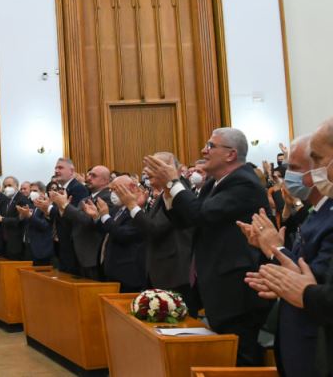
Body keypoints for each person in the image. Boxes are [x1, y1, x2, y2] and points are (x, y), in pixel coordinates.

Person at [146, 127, 270, 366]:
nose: (204, 150)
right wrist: (168, 191)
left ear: (231, 154)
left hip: (237, 288)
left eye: (211, 146)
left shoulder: (244, 183)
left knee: (241, 355)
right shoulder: (214, 183)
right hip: (218, 283)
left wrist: (174, 182)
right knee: (226, 352)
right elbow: (187, 220)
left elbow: (200, 213)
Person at [238, 134, 333, 377]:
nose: (288, 175)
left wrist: (275, 249)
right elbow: (303, 274)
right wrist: (274, 266)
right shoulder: (317, 212)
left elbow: (319, 284)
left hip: (316, 345)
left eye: (294, 168)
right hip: (297, 340)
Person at [116, 153, 195, 313]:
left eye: (155, 167)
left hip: (175, 273)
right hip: (161, 270)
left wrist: (132, 206)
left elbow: (155, 229)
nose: (147, 172)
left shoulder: (179, 193)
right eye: (148, 167)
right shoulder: (164, 193)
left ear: (175, 170)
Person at [84, 176, 147, 292]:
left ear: (132, 187)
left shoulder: (137, 211)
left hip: (127, 273)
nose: (112, 193)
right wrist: (97, 216)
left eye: (115, 189)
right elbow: (108, 229)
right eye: (111, 190)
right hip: (111, 269)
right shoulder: (118, 209)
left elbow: (123, 235)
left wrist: (105, 216)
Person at [55, 165, 113, 280]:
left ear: (105, 180)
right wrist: (62, 209)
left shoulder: (107, 198)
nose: (89, 177)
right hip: (78, 255)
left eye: (94, 176)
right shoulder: (85, 199)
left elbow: (90, 221)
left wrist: (66, 206)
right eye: (89, 174)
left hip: (93, 256)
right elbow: (75, 221)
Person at [50, 158, 91, 274]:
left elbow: (76, 215)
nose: (56, 170)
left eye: (60, 168)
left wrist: (50, 208)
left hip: (73, 244)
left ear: (72, 171)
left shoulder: (78, 188)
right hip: (62, 243)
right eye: (56, 168)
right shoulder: (62, 189)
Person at [0, 176, 31, 260]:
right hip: (7, 241)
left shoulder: (21, 199)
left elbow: (20, 220)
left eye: (10, 185)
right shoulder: (8, 200)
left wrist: (1, 219)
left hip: (17, 243)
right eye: (5, 186)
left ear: (17, 186)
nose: (7, 188)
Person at [24, 181, 55, 266]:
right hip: (31, 248)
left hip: (43, 249)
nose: (32, 193)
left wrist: (30, 216)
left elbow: (45, 225)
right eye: (31, 191)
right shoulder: (32, 206)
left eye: (35, 191)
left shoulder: (47, 206)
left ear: (42, 193)